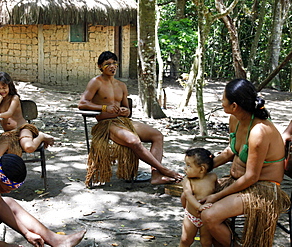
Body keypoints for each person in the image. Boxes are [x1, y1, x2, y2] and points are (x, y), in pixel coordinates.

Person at [200, 79, 290, 247]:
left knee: (209, 216)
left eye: (223, 98)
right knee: (192, 196)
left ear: (234, 106)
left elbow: (251, 177)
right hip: (238, 182)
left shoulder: (259, 132)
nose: (221, 101)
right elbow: (231, 151)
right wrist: (203, 168)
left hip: (262, 188)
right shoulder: (235, 119)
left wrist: (217, 196)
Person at [78, 51, 182, 187]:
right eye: (107, 64)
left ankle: (156, 175)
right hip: (106, 125)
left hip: (123, 122)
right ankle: (163, 170)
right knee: (134, 141)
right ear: (99, 66)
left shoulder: (121, 85)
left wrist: (125, 111)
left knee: (157, 135)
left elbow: (127, 110)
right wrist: (104, 108)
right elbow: (82, 103)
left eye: (114, 63)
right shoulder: (95, 82)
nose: (112, 66)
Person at [0, 71, 54, 157]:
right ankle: (2, 170)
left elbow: (9, 113)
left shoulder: (14, 98)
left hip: (22, 128)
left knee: (29, 147)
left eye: (4, 88)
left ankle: (41, 136)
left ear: (9, 86)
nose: (1, 91)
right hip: (9, 133)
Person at [179, 148, 218, 247]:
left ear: (202, 169)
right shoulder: (187, 180)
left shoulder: (213, 177)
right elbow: (188, 194)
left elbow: (217, 191)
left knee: (206, 242)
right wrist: (198, 207)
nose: (185, 168)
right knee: (185, 240)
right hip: (191, 217)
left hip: (206, 217)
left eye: (189, 165)